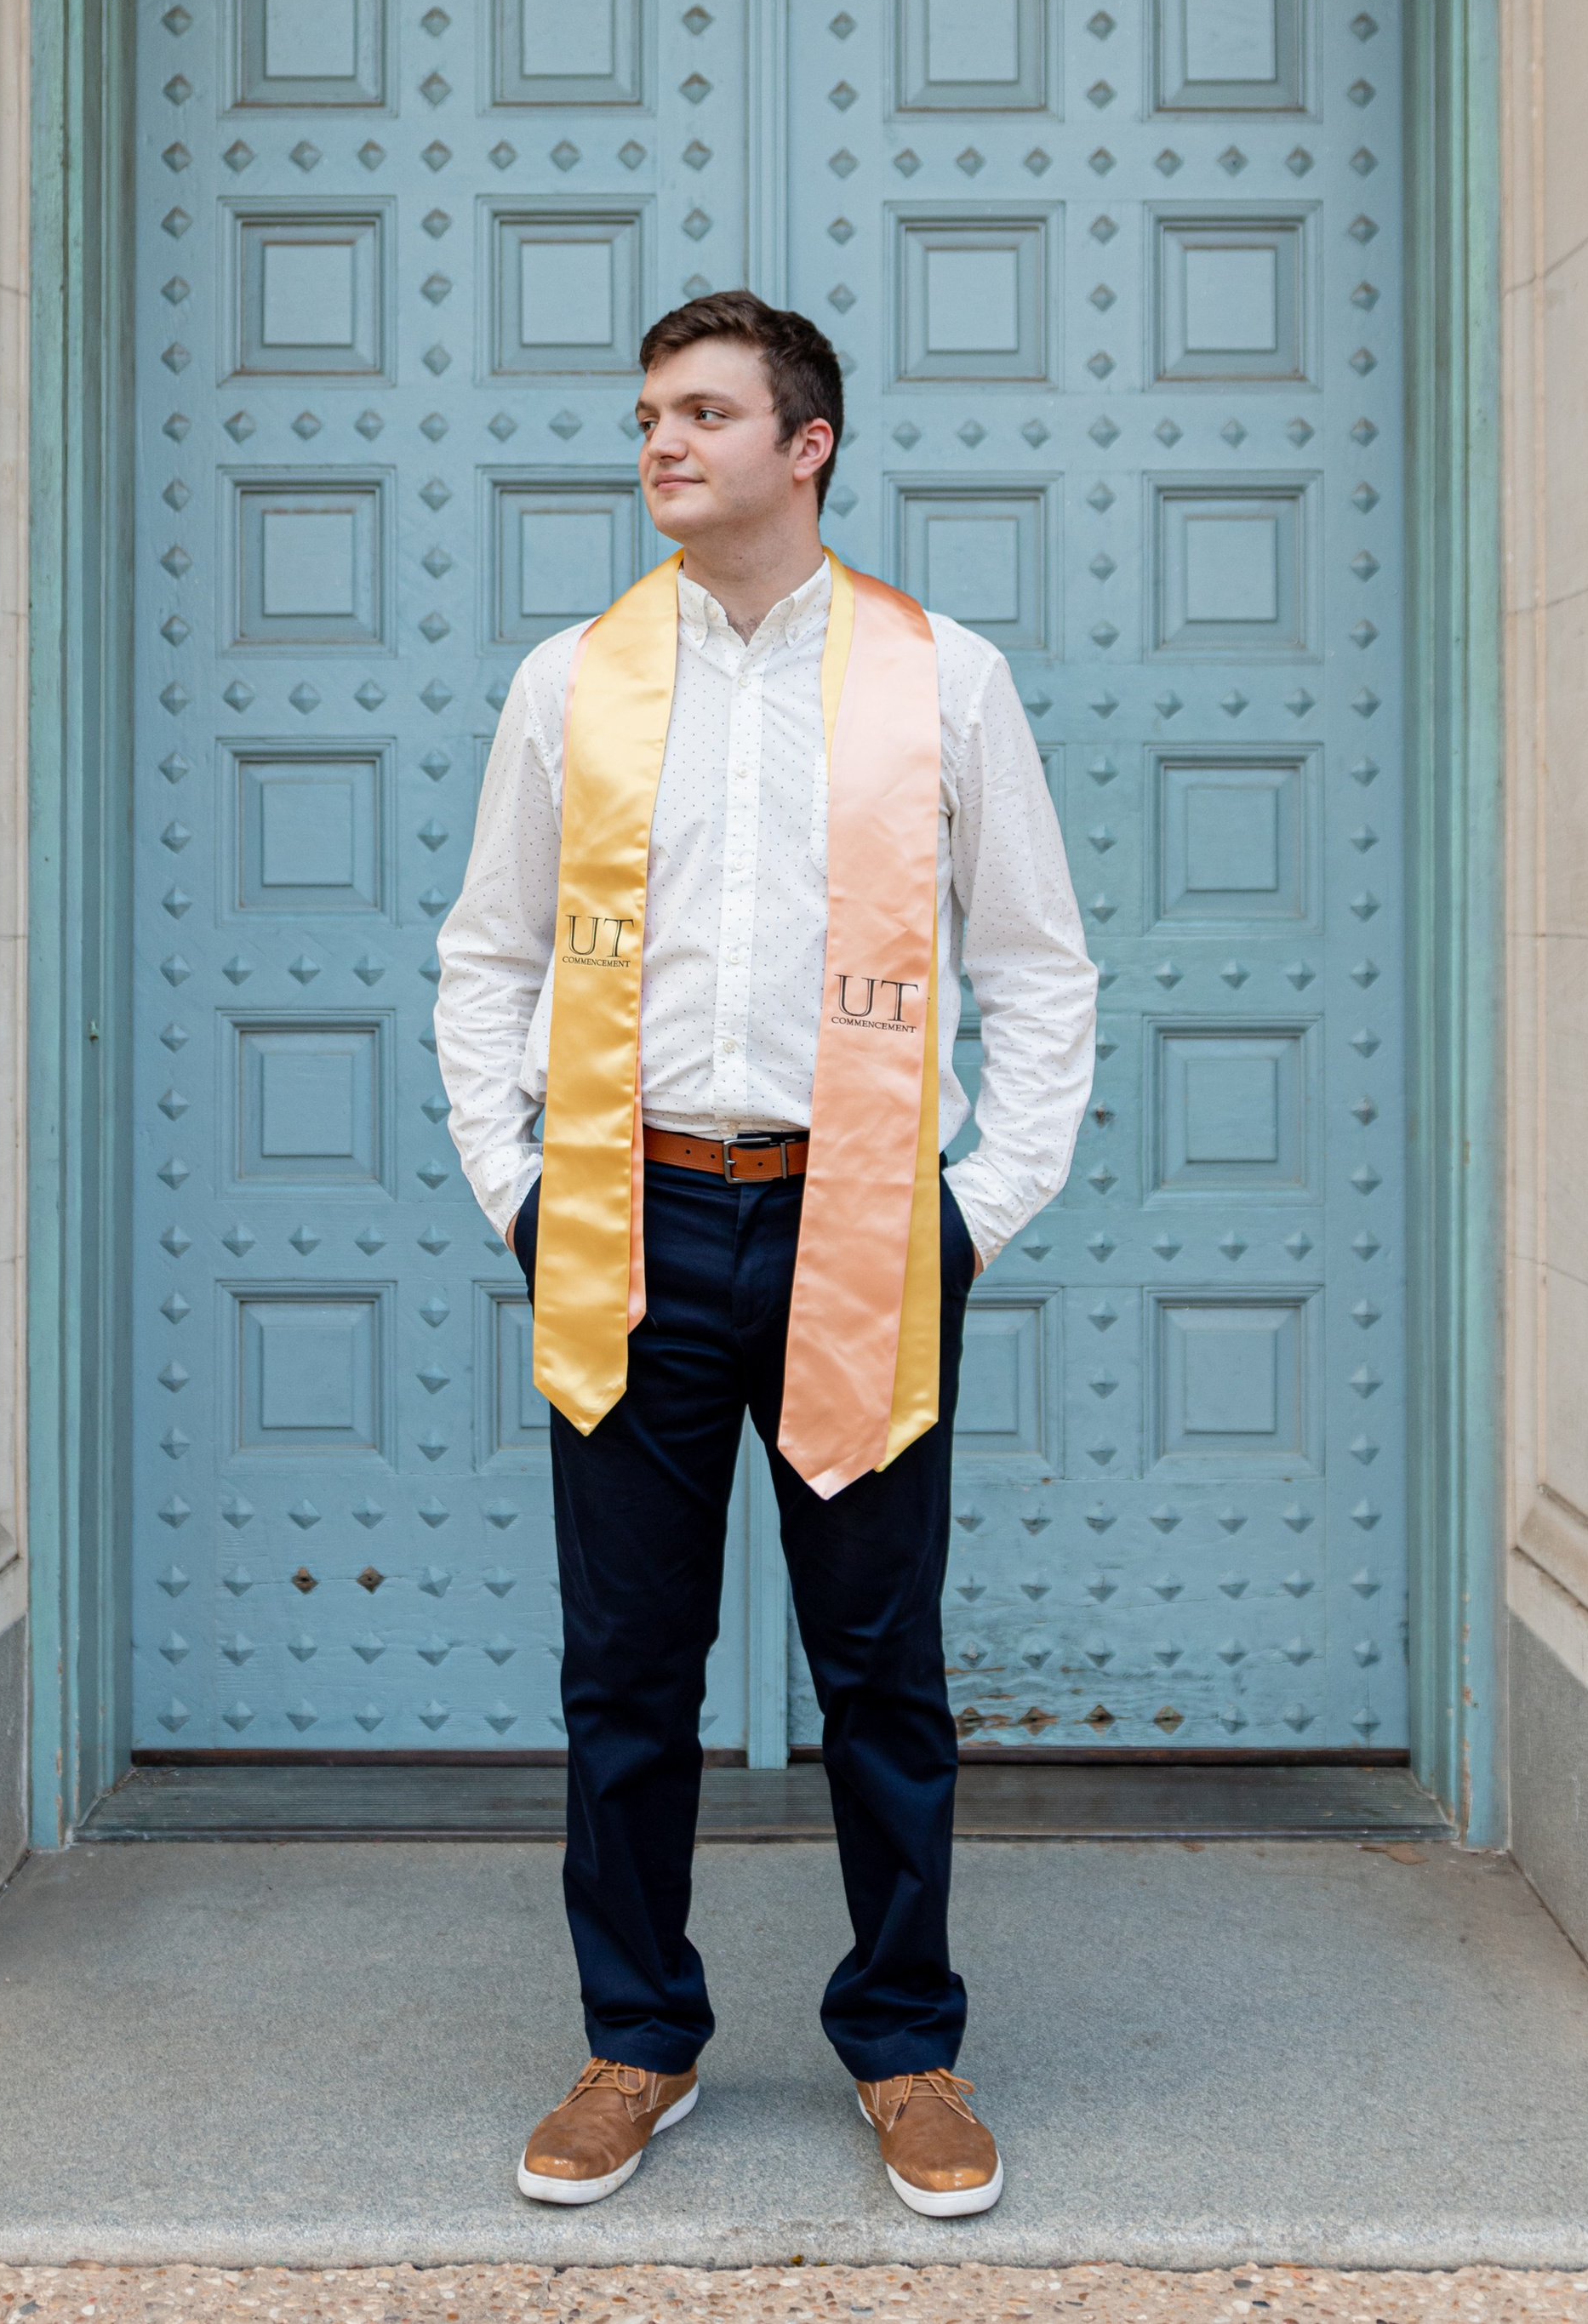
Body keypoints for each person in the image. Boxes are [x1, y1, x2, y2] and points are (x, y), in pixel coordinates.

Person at [436, 289, 1095, 2218]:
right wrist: (514, 1184)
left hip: (862, 1218)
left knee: (881, 1668)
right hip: (626, 1217)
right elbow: (487, 952)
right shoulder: (572, 680)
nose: (662, 439)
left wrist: (977, 1205)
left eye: (705, 411)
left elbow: (1038, 964)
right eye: (650, 410)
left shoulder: (941, 679)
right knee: (625, 1672)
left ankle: (905, 2045)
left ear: (805, 445)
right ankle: (636, 2038)